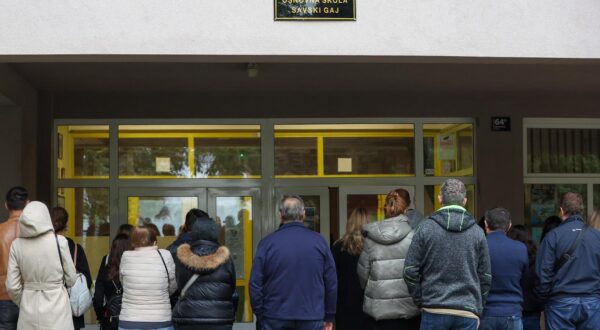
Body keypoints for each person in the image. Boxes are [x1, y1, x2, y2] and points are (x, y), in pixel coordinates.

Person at [404, 178, 491, 330]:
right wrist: (478, 308)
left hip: (434, 308)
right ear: (464, 201)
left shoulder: (425, 228)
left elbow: (410, 270)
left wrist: (420, 299)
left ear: (439, 199)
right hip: (467, 310)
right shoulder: (478, 233)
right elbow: (485, 276)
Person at [249, 196, 337, 330]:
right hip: (311, 317)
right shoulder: (319, 242)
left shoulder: (267, 244)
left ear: (280, 215)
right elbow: (331, 282)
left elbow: (255, 284)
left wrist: (261, 314)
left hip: (274, 316)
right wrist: (329, 316)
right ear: (303, 214)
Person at [5, 201, 77, 329]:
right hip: (58, 311)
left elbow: (12, 286)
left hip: (28, 311)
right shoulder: (60, 242)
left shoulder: (17, 245)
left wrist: (24, 300)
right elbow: (71, 279)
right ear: (46, 218)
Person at [535, 192, 600, 330]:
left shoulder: (553, 236)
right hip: (592, 302)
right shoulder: (596, 237)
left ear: (562, 210)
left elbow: (543, 274)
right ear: (581, 210)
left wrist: (543, 301)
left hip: (560, 303)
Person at [357, 189, 420, 329]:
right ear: (406, 208)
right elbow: (419, 272)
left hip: (378, 312)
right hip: (408, 311)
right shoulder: (415, 236)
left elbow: (362, 274)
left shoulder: (371, 237)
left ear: (386, 207)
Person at [172, 216, 237, 330]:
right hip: (219, 318)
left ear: (193, 233)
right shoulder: (226, 258)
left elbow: (179, 284)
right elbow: (232, 286)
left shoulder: (182, 257)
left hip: (188, 317)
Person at [119, 225, 177, 330]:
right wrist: (160, 293)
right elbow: (173, 283)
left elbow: (123, 282)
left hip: (130, 319)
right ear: (154, 242)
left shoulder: (126, 256)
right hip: (160, 319)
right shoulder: (165, 255)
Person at [480, 208, 528, 330]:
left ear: (486, 224)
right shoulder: (520, 248)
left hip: (486, 311)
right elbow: (525, 280)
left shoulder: (480, 246)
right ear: (509, 225)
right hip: (512, 310)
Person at [50, 206, 93, 330]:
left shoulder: (40, 246)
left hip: (49, 307)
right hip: (71, 309)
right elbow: (87, 280)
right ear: (66, 225)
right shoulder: (75, 247)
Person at [331, 208, 371, 330]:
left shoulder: (338, 247)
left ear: (350, 223)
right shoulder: (373, 247)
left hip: (344, 305)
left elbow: (332, 280)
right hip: (368, 305)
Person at [0, 187, 28, 329]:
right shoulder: (36, 233)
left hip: (3, 297)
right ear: (28, 204)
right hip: (30, 297)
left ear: (6, 205)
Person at [507, 225, 544, 330]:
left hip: (512, 308)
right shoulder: (536, 258)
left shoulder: (509, 258)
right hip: (532, 309)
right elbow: (540, 283)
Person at [93, 234, 132, 330]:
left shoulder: (106, 268)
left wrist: (101, 317)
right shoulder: (134, 269)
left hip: (110, 319)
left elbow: (98, 299)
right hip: (131, 318)